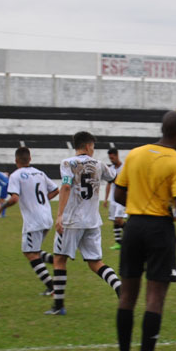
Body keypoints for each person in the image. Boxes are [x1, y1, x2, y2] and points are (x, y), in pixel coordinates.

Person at [112, 111, 176, 351]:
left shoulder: (134, 154)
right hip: (159, 230)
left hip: (132, 227)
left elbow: (118, 193)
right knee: (155, 297)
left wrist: (138, 205)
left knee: (127, 295)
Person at [47, 132, 123, 316]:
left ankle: (58, 306)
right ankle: (121, 290)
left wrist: (59, 216)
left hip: (72, 221)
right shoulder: (100, 165)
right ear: (88, 146)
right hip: (92, 221)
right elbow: (116, 179)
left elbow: (65, 186)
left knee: (59, 259)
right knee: (95, 262)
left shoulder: (67, 163)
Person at [0, 147, 60, 296]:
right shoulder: (40, 173)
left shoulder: (16, 175)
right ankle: (55, 261)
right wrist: (43, 201)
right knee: (34, 250)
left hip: (33, 220)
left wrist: (1, 206)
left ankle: (52, 285)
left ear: (16, 160)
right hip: (46, 217)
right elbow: (56, 190)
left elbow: (14, 198)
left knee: (30, 253)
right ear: (30, 159)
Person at [103, 147, 127, 251]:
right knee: (115, 220)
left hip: (122, 198)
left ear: (117, 155)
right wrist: (105, 199)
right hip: (113, 198)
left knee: (119, 219)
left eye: (112, 158)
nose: (111, 160)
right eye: (110, 158)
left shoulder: (125, 167)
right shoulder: (111, 169)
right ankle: (118, 243)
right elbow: (108, 184)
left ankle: (131, 234)